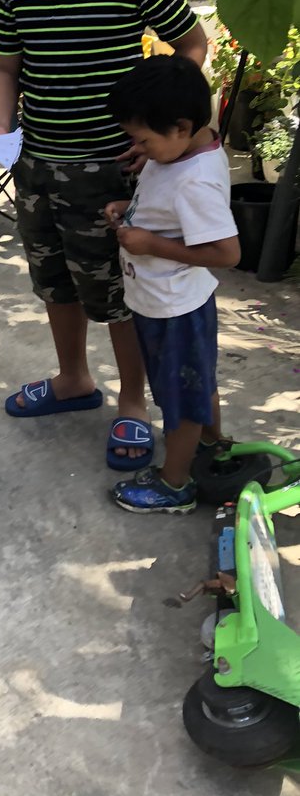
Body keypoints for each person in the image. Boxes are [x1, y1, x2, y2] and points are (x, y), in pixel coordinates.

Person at [0, 0, 208, 468]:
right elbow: (4, 68)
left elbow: (192, 46)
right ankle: (73, 379)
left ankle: (131, 404)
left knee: (118, 290)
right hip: (37, 165)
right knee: (55, 283)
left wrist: (162, 134)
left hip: (112, 170)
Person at [104, 56, 240, 512]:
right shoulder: (186, 150)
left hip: (175, 309)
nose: (135, 146)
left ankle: (175, 484)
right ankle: (212, 444)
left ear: (181, 127)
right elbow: (172, 212)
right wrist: (132, 209)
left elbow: (227, 253)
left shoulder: (194, 181)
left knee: (179, 399)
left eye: (142, 138)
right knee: (197, 383)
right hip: (165, 301)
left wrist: (149, 244)